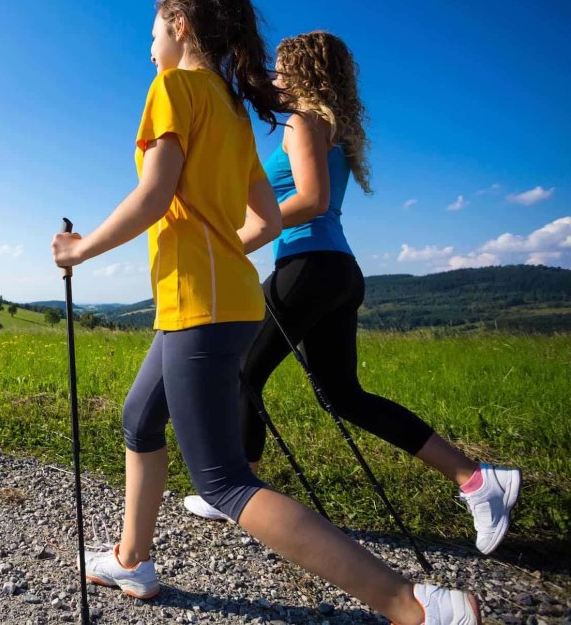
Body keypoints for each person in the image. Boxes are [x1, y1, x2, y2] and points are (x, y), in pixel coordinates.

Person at [51, 0, 480, 624]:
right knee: (140, 417)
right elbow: (268, 219)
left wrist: (80, 249)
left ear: (181, 26)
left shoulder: (174, 89)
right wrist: (217, 244)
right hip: (220, 299)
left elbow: (156, 194)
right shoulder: (231, 111)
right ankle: (132, 560)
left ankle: (413, 605)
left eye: (153, 30)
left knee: (224, 481)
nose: (150, 44)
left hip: (200, 303)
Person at [182, 31, 520, 557]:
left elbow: (312, 200)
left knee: (242, 369)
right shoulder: (326, 125)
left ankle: (237, 488)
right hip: (336, 271)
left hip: (308, 266)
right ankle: (476, 479)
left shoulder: (302, 122)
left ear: (304, 72)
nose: (274, 77)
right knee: (343, 395)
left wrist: (236, 240)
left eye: (281, 68)